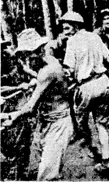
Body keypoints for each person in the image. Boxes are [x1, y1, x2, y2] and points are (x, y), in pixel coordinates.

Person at [1, 29, 74, 181]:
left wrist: (11, 116)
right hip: (50, 122)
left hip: (58, 124)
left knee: (45, 176)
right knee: (50, 169)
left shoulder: (46, 72)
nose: (28, 58)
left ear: (40, 49)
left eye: (29, 53)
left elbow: (30, 107)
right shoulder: (50, 62)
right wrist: (33, 78)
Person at [61, 11, 109, 173]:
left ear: (76, 26)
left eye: (67, 27)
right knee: (101, 124)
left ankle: (92, 147)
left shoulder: (72, 42)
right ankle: (106, 160)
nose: (65, 31)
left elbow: (69, 70)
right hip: (103, 82)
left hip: (86, 86)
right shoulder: (95, 36)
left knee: (81, 121)